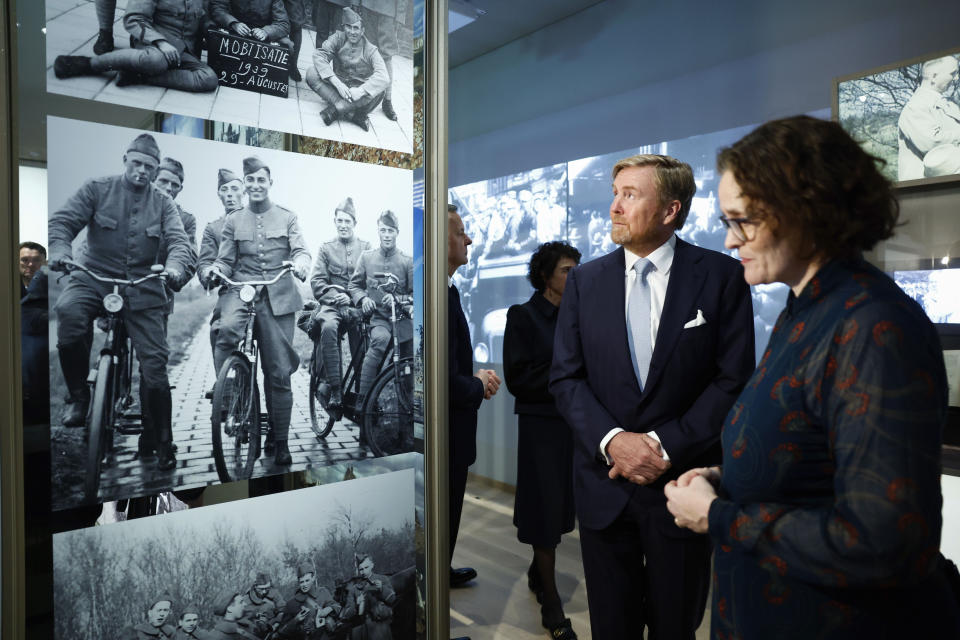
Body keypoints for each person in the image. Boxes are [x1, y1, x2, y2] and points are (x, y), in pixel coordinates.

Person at [664, 115, 960, 638]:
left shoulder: (872, 325)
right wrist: (725, 481)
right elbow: (802, 452)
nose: (732, 242)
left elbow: (884, 543)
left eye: (744, 221)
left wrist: (719, 518)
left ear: (805, 208)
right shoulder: (804, 309)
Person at [549, 154, 755, 639]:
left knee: (675, 625)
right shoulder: (584, 281)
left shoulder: (722, 276)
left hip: (682, 487)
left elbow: (732, 380)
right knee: (611, 627)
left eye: (630, 195)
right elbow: (565, 378)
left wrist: (663, 447)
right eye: (615, 193)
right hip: (605, 486)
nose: (614, 208)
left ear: (670, 210)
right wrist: (613, 440)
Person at [48, 133, 195, 472]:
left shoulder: (164, 203)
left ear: (156, 169)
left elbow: (178, 242)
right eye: (137, 164)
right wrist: (59, 251)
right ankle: (78, 397)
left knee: (156, 369)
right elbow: (63, 222)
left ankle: (161, 440)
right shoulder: (97, 188)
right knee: (68, 315)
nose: (142, 172)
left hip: (142, 289)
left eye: (149, 167)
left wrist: (173, 268)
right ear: (125, 160)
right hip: (93, 278)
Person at [207, 156, 312, 466]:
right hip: (242, 291)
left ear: (269, 183)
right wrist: (216, 268)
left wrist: (302, 263)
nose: (254, 185)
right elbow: (225, 260)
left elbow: (301, 249)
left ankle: (279, 441)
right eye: (249, 180)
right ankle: (231, 402)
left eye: (260, 180)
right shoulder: (233, 220)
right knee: (224, 333)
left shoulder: (287, 217)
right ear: (246, 183)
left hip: (278, 297)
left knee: (278, 372)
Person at [503, 241, 581, 640]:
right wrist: (566, 375)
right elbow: (518, 380)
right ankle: (551, 603)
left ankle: (538, 572)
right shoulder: (523, 316)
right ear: (546, 275)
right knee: (545, 512)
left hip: (574, 425)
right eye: (568, 270)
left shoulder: (578, 314)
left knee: (562, 509)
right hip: (541, 428)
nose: (575, 276)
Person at [447, 204, 501, 588]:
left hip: (451, 433)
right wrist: (478, 384)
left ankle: (439, 570)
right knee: (444, 511)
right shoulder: (437, 297)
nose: (469, 239)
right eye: (460, 231)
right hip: (446, 436)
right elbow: (443, 382)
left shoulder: (445, 291)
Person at [53, 0, 218, 93]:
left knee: (209, 79)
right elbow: (134, 18)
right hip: (153, 42)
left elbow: (203, 18)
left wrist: (211, 28)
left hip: (184, 49)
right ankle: (88, 64)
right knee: (155, 61)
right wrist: (161, 42)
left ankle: (137, 76)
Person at [309, 197, 370, 414]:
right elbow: (317, 282)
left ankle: (366, 400)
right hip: (332, 306)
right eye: (340, 221)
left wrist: (354, 299)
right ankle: (335, 390)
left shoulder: (366, 248)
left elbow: (370, 280)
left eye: (348, 221)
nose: (343, 225)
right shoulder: (326, 249)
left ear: (355, 223)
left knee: (364, 343)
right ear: (335, 222)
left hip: (356, 305)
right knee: (327, 327)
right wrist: (337, 296)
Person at [347, 210, 413, 404]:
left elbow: (414, 295)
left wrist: (398, 299)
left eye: (390, 230)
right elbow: (354, 285)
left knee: (409, 361)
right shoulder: (367, 258)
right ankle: (364, 401)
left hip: (403, 321)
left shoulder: (407, 261)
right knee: (379, 341)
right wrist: (362, 299)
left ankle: (408, 410)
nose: (386, 235)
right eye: (383, 230)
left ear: (397, 232)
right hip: (379, 319)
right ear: (378, 232)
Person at [305, 7, 390, 132]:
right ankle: (352, 114)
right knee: (311, 73)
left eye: (356, 28)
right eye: (348, 27)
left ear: (362, 31)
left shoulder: (371, 50)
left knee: (379, 90)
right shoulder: (338, 38)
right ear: (344, 27)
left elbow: (384, 77)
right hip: (340, 88)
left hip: (359, 96)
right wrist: (336, 83)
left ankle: (336, 109)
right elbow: (319, 55)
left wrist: (361, 91)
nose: (352, 32)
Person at [198, 168, 246, 370]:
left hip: (262, 287)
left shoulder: (258, 219)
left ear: (243, 191)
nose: (229, 194)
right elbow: (205, 261)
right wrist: (208, 273)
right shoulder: (213, 228)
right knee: (218, 328)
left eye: (235, 189)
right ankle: (223, 382)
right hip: (231, 289)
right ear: (219, 194)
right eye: (224, 190)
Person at [324, 0, 403, 120]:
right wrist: (356, 2)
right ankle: (354, 94)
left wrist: (400, 16)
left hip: (389, 11)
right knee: (366, 47)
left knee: (386, 56)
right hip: (367, 5)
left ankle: (387, 100)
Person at [898, 55, 960, 180]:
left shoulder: (950, 104)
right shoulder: (915, 107)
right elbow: (933, 144)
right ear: (934, 76)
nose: (956, 78)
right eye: (952, 73)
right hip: (929, 190)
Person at [20, 242, 49, 426]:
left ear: (44, 262)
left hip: (38, 334)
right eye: (24, 260)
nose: (30, 265)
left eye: (36, 260)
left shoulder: (46, 281)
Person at [276, 562, 341, 639]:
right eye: (302, 582)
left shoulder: (323, 592)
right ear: (298, 582)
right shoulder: (291, 603)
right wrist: (296, 620)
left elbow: (337, 606)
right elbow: (282, 630)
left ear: (313, 578)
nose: (304, 585)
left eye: (307, 580)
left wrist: (329, 609)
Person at [340, 554, 397, 640]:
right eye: (361, 569)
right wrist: (356, 604)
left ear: (372, 565)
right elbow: (347, 614)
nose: (364, 572)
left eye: (366, 568)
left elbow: (392, 599)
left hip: (381, 629)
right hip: (362, 632)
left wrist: (382, 589)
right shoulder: (354, 588)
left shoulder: (383, 579)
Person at [210, 0, 294, 55]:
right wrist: (233, 23)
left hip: (263, 35)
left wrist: (266, 32)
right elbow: (217, 9)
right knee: (210, 27)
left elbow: (283, 23)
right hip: (234, 30)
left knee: (287, 44)